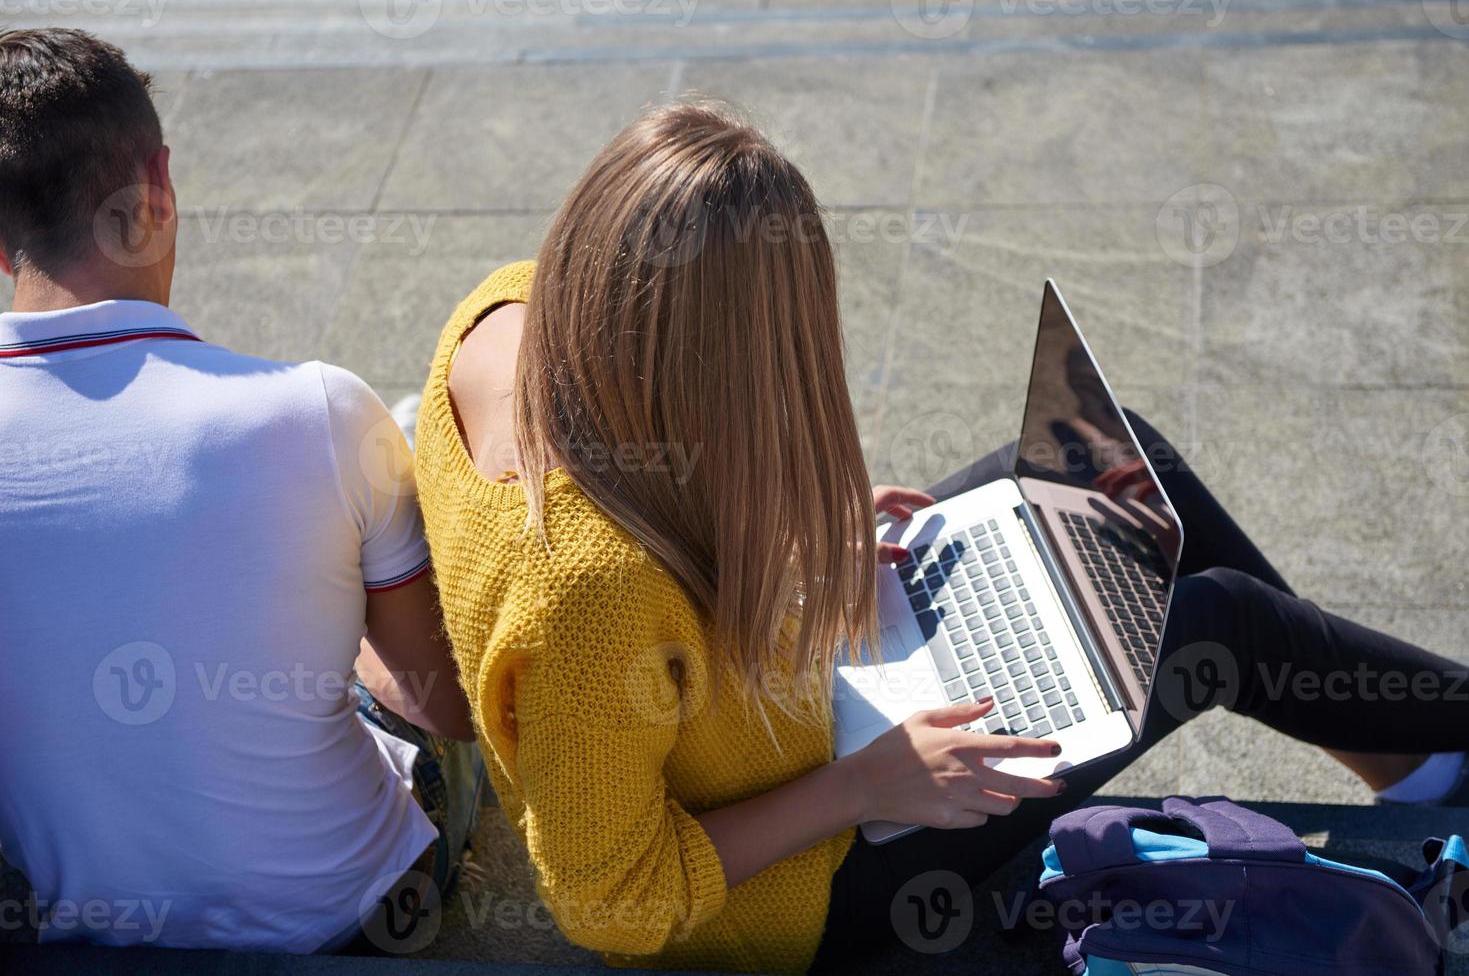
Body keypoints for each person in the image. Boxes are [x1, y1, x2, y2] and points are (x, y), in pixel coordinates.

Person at [414, 101, 1469, 974]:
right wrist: (870, 784)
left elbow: (632, 507)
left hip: (777, 692)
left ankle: (1422, 764)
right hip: (785, 895)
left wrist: (779, 551)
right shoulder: (586, 589)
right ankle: (1437, 753)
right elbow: (608, 900)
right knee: (1212, 626)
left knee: (1111, 467)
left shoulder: (506, 311)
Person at [0, 28, 478, 953]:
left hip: (86, 938)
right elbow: (447, 704)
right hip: (355, 925)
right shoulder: (318, 409)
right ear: (159, 187)